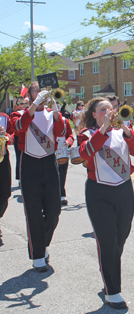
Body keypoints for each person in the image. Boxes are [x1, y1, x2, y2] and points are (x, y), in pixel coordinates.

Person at [78, 97, 134, 309]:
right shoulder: (87, 134)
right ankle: (112, 290)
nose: (109, 111)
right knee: (107, 240)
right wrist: (105, 128)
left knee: (120, 237)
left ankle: (108, 271)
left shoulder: (124, 132)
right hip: (99, 191)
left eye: (111, 108)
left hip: (124, 188)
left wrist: (126, 129)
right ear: (94, 114)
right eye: (103, 109)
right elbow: (84, 153)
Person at [10, 82, 65, 271]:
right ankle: (38, 256)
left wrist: (56, 108)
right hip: (30, 164)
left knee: (54, 211)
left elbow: (61, 132)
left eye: (43, 91)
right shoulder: (21, 113)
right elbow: (18, 127)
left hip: (49, 163)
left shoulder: (52, 114)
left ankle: (43, 244)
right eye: (36, 91)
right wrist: (34, 106)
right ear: (30, 94)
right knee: (33, 213)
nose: (40, 94)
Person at [56, 112, 75, 206]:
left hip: (62, 150)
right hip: (49, 150)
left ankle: (62, 195)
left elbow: (71, 135)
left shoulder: (64, 120)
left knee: (62, 173)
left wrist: (68, 142)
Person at [0, 112, 13, 237]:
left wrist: (6, 135)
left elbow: (13, 134)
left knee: (5, 193)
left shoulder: (4, 117)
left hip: (2, 158)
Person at [10, 98, 28, 185]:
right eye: (21, 103)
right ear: (17, 105)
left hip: (27, 137)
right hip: (18, 137)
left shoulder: (27, 111)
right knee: (19, 158)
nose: (23, 105)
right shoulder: (15, 113)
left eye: (24, 103)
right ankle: (20, 178)